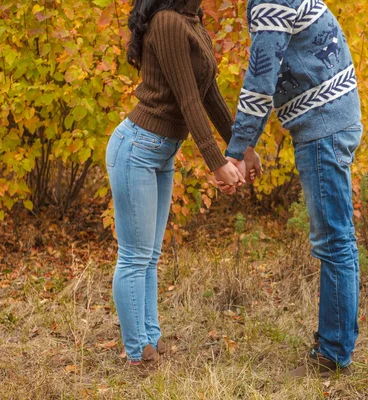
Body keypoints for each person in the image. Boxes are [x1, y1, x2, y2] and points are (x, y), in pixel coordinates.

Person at [105, 0, 255, 371]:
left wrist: (243, 146)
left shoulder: (192, 21)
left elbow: (210, 95)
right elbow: (188, 99)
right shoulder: (168, 22)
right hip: (136, 148)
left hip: (160, 152)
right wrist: (217, 163)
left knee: (150, 257)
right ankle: (138, 351)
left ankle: (149, 341)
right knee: (134, 256)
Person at [223, 0, 363, 378]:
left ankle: (334, 353)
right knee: (338, 239)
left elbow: (261, 79)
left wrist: (235, 152)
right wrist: (246, 146)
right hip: (333, 119)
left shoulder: (270, 1)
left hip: (324, 126)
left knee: (334, 240)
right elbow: (269, 73)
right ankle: (338, 343)